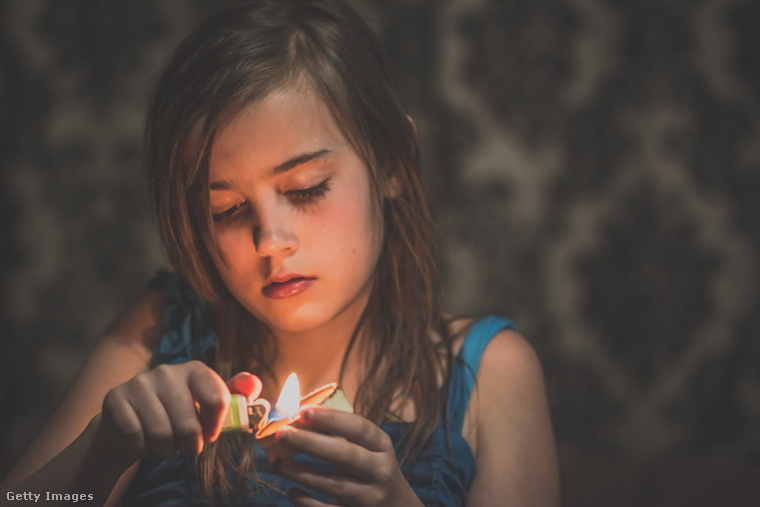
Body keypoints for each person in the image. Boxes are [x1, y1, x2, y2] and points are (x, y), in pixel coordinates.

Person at [0, 0, 559, 505]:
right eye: (227, 210)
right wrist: (100, 452)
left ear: (391, 162)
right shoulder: (157, 331)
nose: (270, 241)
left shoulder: (490, 373)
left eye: (306, 189)